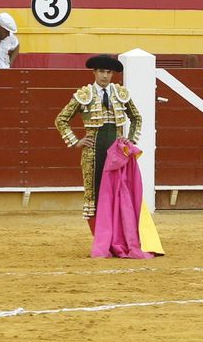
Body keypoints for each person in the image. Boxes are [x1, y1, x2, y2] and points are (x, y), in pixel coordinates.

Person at [54, 54, 153, 244]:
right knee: (94, 196)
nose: (105, 76)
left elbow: (137, 118)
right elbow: (61, 119)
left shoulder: (120, 94)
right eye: (101, 71)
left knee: (117, 194)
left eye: (109, 72)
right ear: (94, 72)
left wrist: (130, 141)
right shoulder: (84, 95)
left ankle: (116, 239)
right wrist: (76, 141)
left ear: (113, 74)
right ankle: (101, 240)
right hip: (92, 153)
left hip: (116, 154)